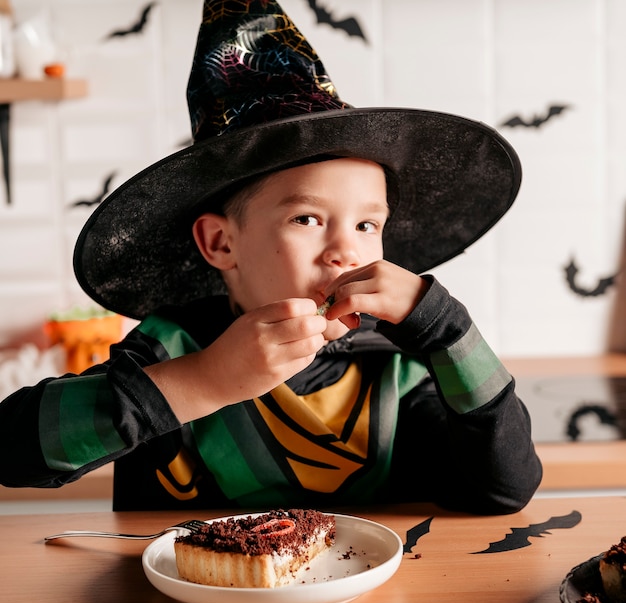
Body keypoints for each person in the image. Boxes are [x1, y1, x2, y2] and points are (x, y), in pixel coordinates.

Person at [0, 0, 542, 513]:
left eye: (367, 224)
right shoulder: (173, 346)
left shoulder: (397, 367)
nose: (345, 250)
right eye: (306, 218)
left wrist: (444, 325)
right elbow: (11, 450)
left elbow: (503, 490)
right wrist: (204, 380)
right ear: (221, 243)